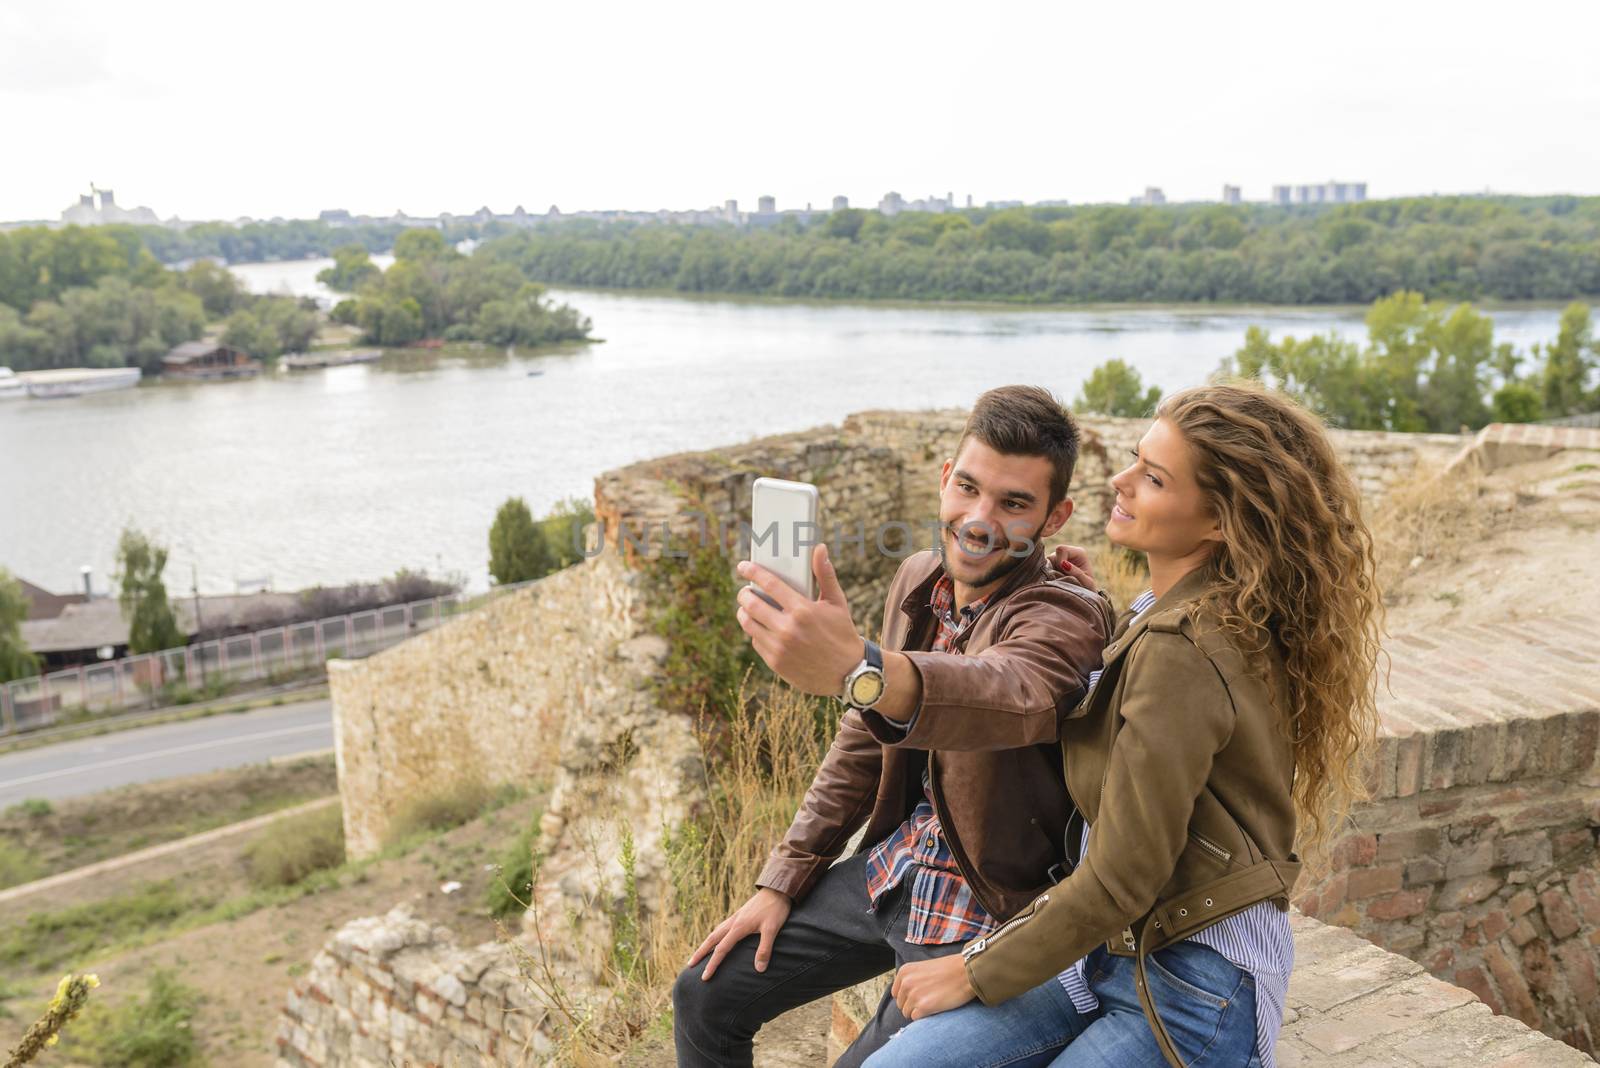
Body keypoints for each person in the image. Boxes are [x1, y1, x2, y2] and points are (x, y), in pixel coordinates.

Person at [864, 381, 1383, 1068]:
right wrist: (1106, 619)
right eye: (1137, 459)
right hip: (1101, 954)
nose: (1121, 479)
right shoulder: (1172, 612)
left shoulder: (1183, 647)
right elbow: (1141, 704)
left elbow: (1123, 877)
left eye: (1153, 478)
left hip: (1190, 983)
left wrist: (972, 969)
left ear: (1220, 522)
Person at [671, 385, 1116, 1067]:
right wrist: (780, 879)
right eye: (967, 488)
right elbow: (860, 739)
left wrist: (861, 667)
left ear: (1055, 518)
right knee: (702, 994)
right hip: (893, 869)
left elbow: (1008, 692)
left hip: (989, 902)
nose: (978, 518)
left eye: (1014, 504)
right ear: (944, 479)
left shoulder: (1068, 614)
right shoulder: (918, 578)